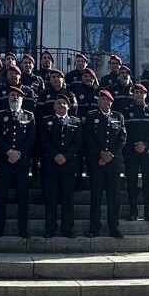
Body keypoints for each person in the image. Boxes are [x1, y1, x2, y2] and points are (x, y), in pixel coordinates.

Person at [0, 88, 37, 238]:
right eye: (12, 95)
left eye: (18, 96)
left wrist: (19, 153)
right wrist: (8, 152)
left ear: (22, 99)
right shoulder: (0, 115)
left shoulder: (29, 116)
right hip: (4, 161)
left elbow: (31, 138)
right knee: (1, 197)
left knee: (23, 198)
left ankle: (23, 230)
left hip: (22, 162)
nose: (15, 97)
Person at [84, 90, 127, 239]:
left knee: (114, 198)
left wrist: (111, 155)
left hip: (113, 163)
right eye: (102, 99)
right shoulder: (91, 116)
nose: (105, 102)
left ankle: (114, 227)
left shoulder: (118, 117)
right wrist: (101, 154)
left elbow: (122, 138)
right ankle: (94, 227)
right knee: (96, 197)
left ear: (111, 102)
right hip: (97, 163)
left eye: (107, 100)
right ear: (98, 102)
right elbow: (88, 137)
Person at [41, 94, 83, 238]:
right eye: (58, 103)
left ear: (69, 106)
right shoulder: (46, 121)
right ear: (54, 106)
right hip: (51, 165)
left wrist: (66, 156)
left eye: (64, 103)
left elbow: (78, 143)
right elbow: (44, 141)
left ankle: (67, 229)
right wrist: (55, 155)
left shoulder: (76, 122)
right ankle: (50, 228)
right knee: (51, 199)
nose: (61, 105)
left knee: (68, 199)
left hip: (69, 165)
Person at [121, 83, 149, 222]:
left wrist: (145, 144)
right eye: (136, 92)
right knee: (131, 182)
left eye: (141, 92)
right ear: (133, 95)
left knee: (148, 182)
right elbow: (124, 131)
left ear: (145, 94)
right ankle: (133, 211)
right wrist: (135, 145)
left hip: (148, 152)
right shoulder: (127, 111)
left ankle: (148, 212)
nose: (138, 95)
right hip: (131, 152)